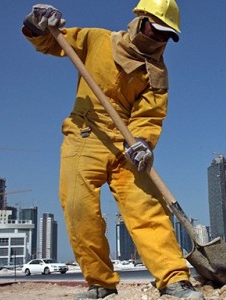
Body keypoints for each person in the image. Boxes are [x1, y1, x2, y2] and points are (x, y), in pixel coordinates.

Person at [21, 1, 204, 299]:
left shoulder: (156, 73)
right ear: (140, 21)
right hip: (86, 134)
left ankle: (174, 278)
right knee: (80, 208)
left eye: (165, 36)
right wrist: (36, 25)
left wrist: (143, 143)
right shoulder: (98, 40)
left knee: (147, 207)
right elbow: (53, 43)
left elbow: (150, 116)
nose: (157, 40)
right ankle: (101, 283)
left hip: (128, 145)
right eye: (154, 31)